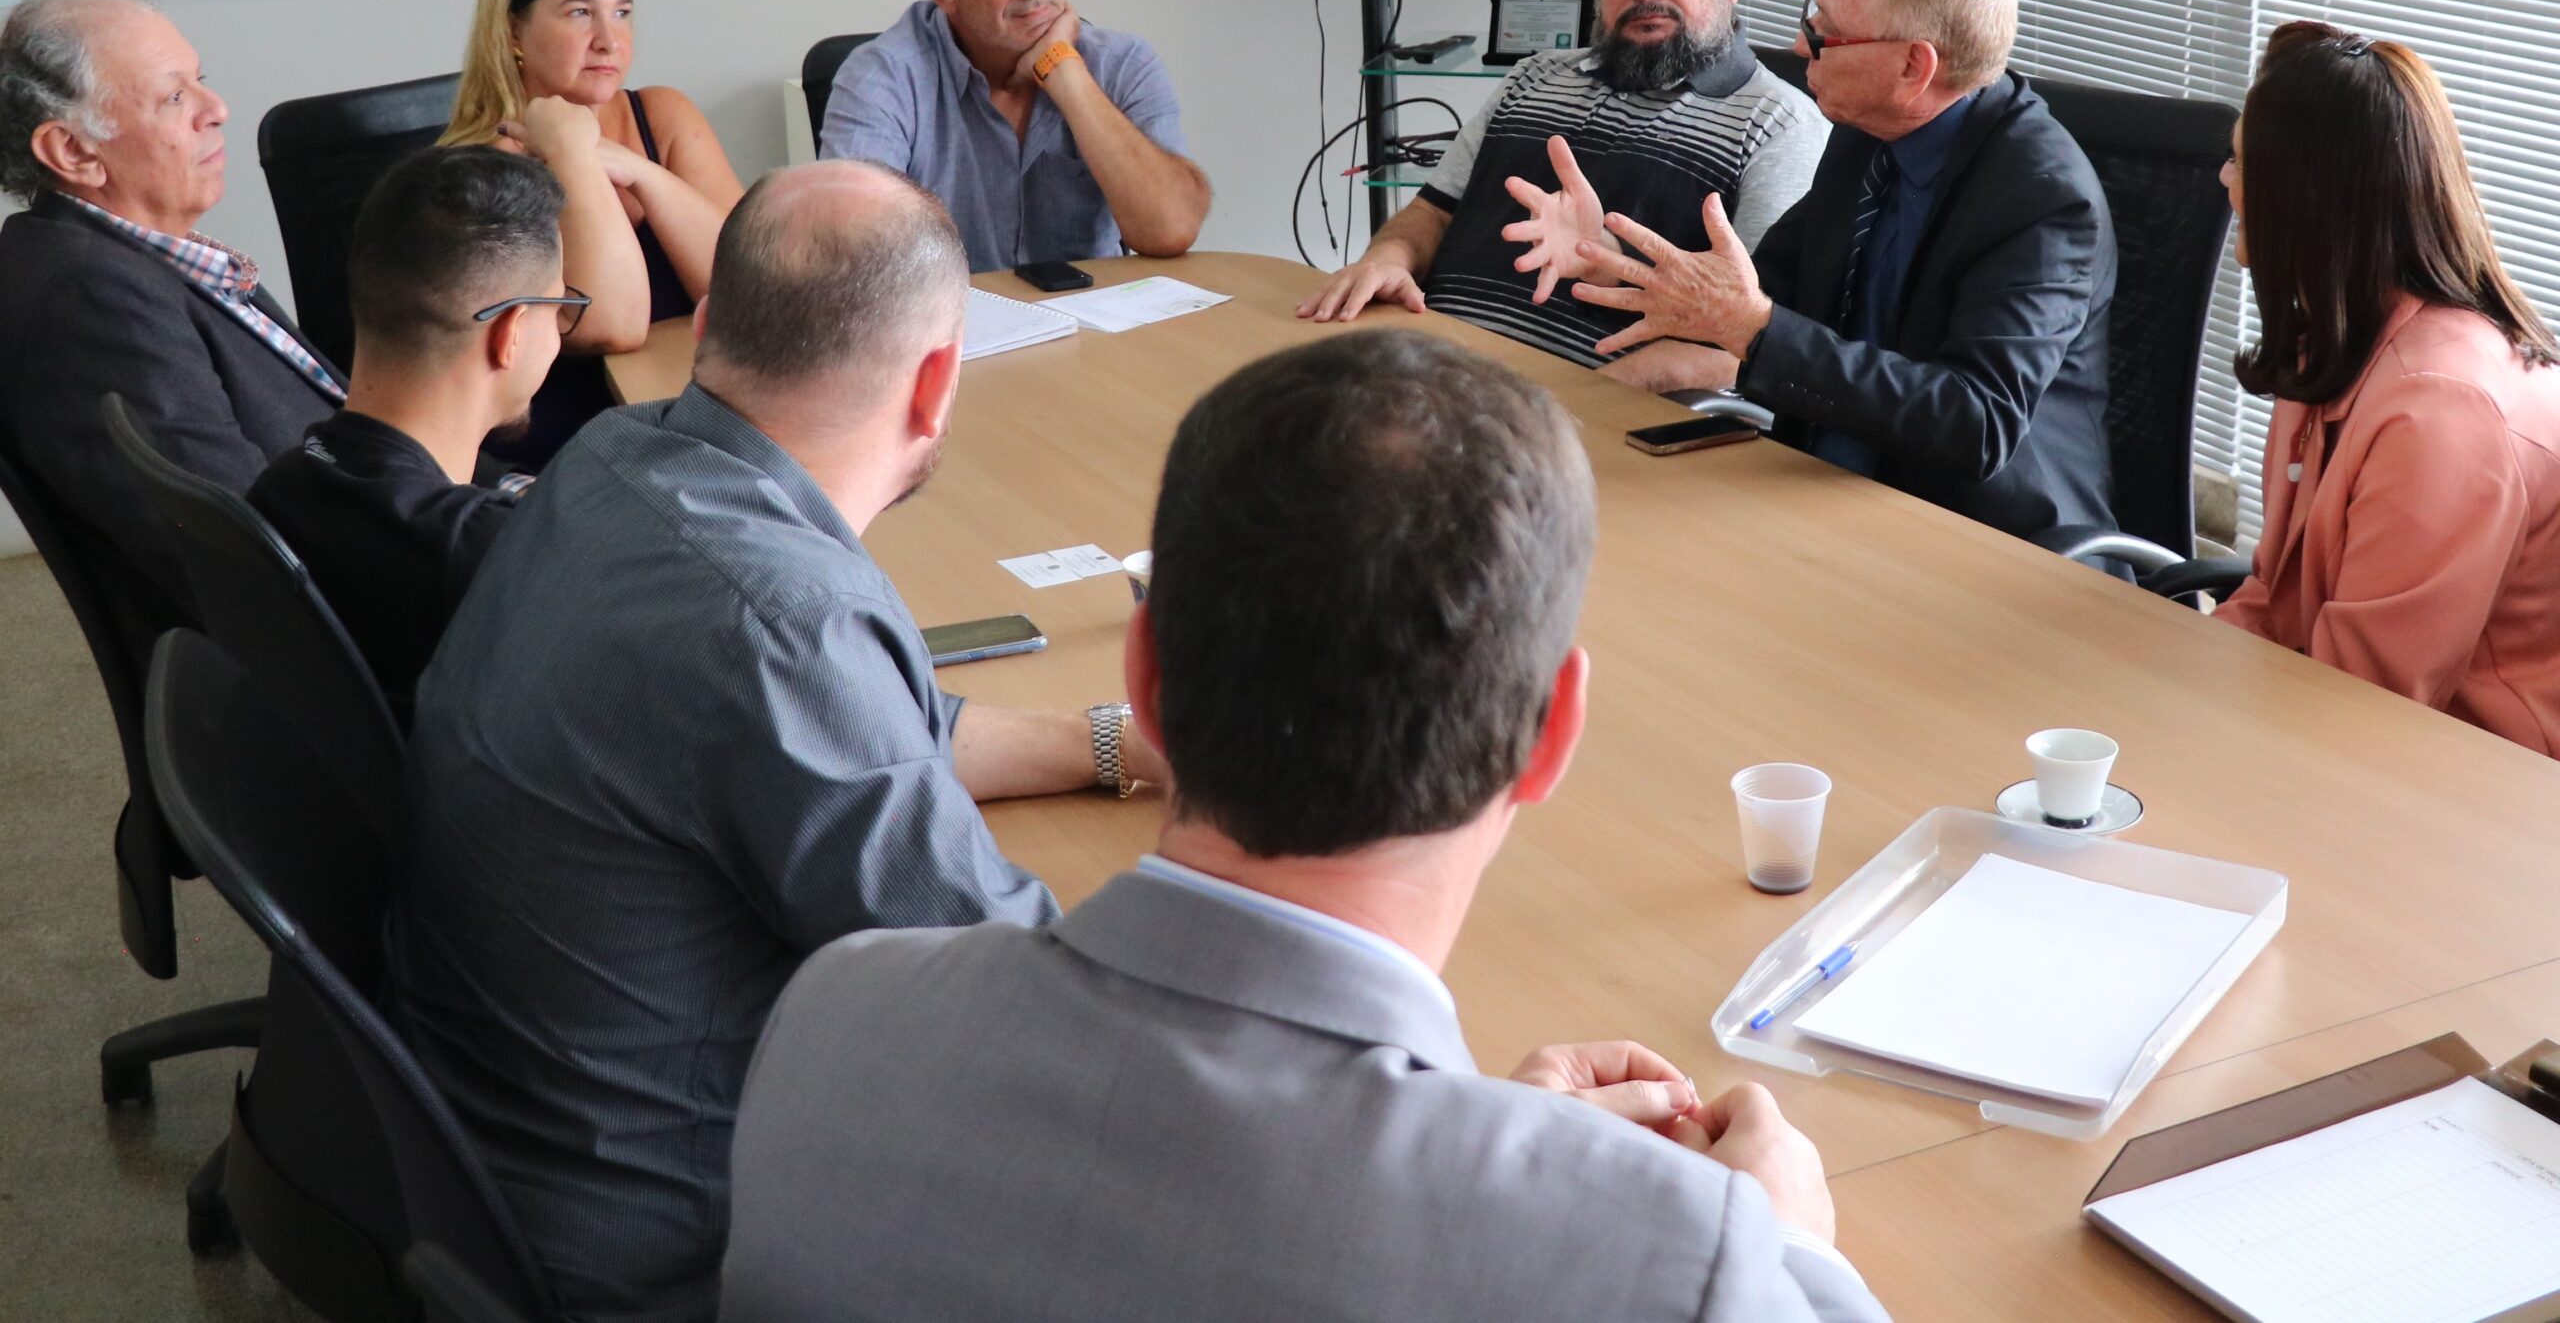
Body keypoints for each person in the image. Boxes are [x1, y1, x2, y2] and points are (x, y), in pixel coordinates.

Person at [723, 328, 1889, 1323]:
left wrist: (1494, 1145)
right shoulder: (1665, 1257)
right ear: (1552, 734)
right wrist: (1789, 1248)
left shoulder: (833, 1014)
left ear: (1144, 683)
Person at [387, 161, 1166, 1323]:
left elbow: (853, 745)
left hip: (497, 1148)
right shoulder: (783, 620)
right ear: (937, 381)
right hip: (673, 1245)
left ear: (708, 326)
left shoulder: (612, 462)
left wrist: (1117, 741)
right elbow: (1039, 1028)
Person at [1569, 0, 2117, 542]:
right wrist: (1612, 251)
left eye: (1828, 31)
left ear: (1915, 67)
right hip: (1822, 496)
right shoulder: (1867, 130)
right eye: (1812, 12)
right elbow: (1766, 287)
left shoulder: (2042, 199)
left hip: (1982, 546)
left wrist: (1755, 327)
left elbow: (1976, 423)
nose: (1801, 44)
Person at [1296, 0, 1825, 387]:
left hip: (1567, 423)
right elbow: (1432, 212)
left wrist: (1571, 413)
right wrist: (1388, 258)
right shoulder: (1534, 76)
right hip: (1421, 368)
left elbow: (1746, 345)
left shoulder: (1779, 125)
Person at [2214, 23, 2560, 754]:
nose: (2223, 179)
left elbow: (2363, 710)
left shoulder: (2442, 412)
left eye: (2242, 162)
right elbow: (2273, 601)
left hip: (2482, 789)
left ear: (2306, 198)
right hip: (2356, 739)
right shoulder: (2335, 340)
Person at [0, 0, 344, 618]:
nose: (217, 109)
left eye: (200, 80)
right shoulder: (91, 299)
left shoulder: (131, 258)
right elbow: (253, 549)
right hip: (382, 646)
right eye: (175, 96)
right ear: (73, 151)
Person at [249, 146, 575, 722]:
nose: (561, 332)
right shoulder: (491, 557)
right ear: (512, 332)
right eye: (560, 310)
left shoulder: (281, 486)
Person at [439, 0, 744, 467]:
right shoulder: (483, 169)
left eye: (622, 13)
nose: (609, 40)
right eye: (580, 12)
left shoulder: (663, 116)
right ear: (512, 31)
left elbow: (749, 293)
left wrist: (641, 170)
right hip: (572, 448)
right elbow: (610, 327)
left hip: (695, 418)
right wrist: (574, 153)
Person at [819, 0, 1209, 271]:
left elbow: (1171, 229)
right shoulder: (881, 78)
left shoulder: (1123, 63)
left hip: (1098, 333)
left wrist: (1063, 70)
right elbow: (853, 258)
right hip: (952, 331)